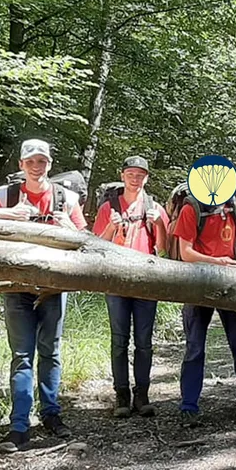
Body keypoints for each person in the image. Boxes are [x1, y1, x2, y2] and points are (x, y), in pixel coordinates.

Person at [0, 139, 87, 453]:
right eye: (31, 162)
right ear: (21, 165)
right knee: (22, 356)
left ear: (50, 164)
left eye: (42, 161)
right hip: (15, 286)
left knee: (50, 352)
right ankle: (19, 426)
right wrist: (8, 215)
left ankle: (52, 416)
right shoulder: (7, 194)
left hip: (54, 287)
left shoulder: (65, 197)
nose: (36, 167)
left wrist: (69, 227)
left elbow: (87, 239)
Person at [173, 190, 236, 427]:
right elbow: (185, 252)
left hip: (231, 284)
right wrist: (217, 262)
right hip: (198, 284)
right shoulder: (192, 208)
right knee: (195, 347)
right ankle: (189, 405)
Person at [92, 156, 169, 418]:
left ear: (146, 177)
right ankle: (121, 395)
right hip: (115, 280)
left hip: (146, 281)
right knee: (119, 341)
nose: (135, 179)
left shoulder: (155, 207)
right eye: (130, 174)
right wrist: (112, 228)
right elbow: (96, 245)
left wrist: (158, 222)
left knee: (144, 342)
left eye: (140, 175)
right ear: (123, 175)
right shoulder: (108, 208)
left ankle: (143, 394)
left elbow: (164, 248)